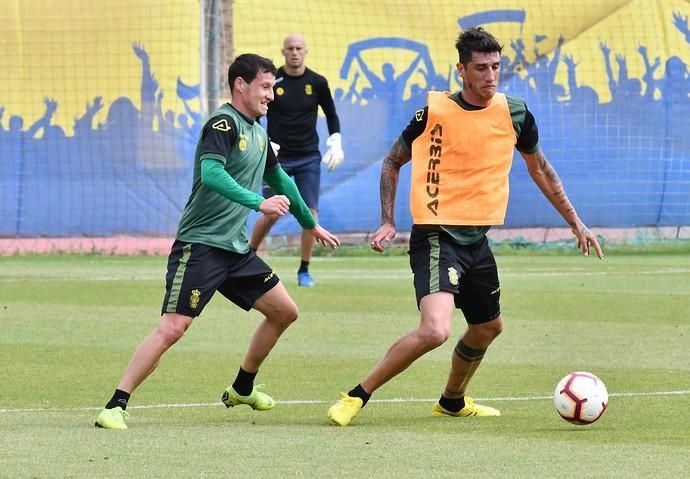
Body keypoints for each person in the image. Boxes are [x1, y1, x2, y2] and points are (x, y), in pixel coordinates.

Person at [327, 27, 603, 427]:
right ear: (461, 70)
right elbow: (391, 162)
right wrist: (388, 219)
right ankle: (355, 396)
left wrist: (576, 221)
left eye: (495, 66)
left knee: (488, 326)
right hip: (438, 235)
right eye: (481, 68)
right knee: (435, 330)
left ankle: (452, 400)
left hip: (477, 239)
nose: (490, 76)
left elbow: (540, 168)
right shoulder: (433, 113)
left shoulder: (515, 113)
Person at [94, 53, 340, 429]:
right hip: (201, 246)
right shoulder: (223, 124)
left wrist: (311, 224)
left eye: (273, 89)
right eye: (265, 87)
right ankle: (114, 405)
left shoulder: (259, 132)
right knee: (173, 328)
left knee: (285, 311)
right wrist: (259, 202)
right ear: (240, 84)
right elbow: (212, 174)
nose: (271, 96)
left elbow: (283, 184)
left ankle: (243, 387)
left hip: (235, 250)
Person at [249, 33, 343, 287]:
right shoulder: (272, 82)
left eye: (298, 48)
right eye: (290, 48)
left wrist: (336, 139)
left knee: (310, 212)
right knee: (270, 212)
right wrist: (263, 140)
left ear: (305, 51)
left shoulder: (318, 82)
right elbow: (256, 112)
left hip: (308, 158)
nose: (294, 52)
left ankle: (304, 270)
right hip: (275, 159)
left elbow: (331, 114)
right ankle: (248, 255)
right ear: (283, 51)